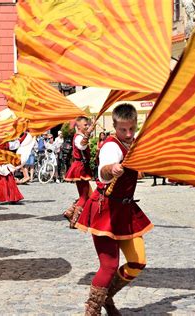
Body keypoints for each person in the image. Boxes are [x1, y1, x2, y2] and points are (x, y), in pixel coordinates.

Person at [75, 104, 153, 315]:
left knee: (138, 262)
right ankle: (92, 310)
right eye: (123, 130)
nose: (128, 134)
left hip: (126, 210)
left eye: (131, 129)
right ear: (115, 126)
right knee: (109, 266)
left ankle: (107, 298)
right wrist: (113, 169)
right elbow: (104, 171)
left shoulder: (134, 143)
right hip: (106, 210)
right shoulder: (112, 146)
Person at [63, 116, 94, 226]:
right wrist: (88, 133)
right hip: (80, 167)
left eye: (87, 125)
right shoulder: (78, 137)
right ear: (78, 126)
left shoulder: (80, 136)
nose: (87, 126)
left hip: (81, 166)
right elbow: (82, 146)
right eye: (85, 125)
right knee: (84, 196)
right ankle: (74, 220)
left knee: (85, 194)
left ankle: (70, 212)